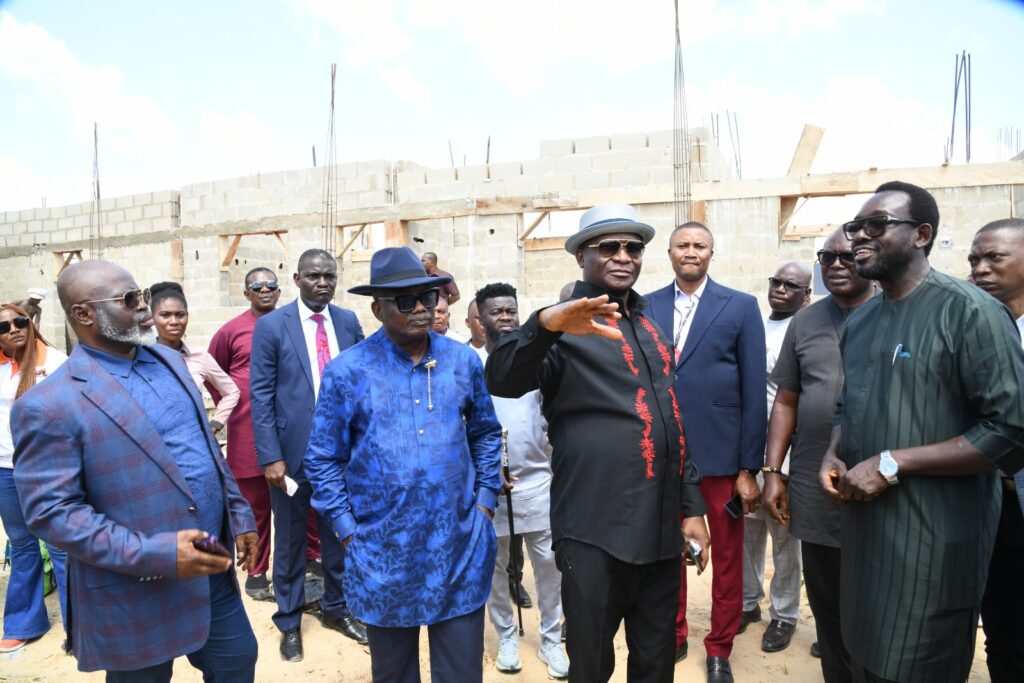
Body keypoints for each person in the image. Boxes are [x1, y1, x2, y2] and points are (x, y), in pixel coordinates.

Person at [487, 204, 709, 683]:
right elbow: (502, 377)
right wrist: (546, 324)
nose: (623, 256)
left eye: (633, 248)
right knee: (591, 664)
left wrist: (691, 509)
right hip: (593, 531)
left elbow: (672, 423)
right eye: (609, 247)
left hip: (660, 531)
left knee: (655, 661)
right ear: (582, 256)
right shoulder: (562, 328)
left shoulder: (651, 326)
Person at [12, 260, 259, 680]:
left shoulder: (170, 362)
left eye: (141, 294)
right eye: (129, 300)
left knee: (237, 662)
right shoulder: (49, 404)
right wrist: (160, 554)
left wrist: (239, 514)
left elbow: (206, 452)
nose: (144, 308)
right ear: (83, 315)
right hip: (134, 589)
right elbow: (53, 514)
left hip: (210, 572)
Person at [819, 182, 1024, 683]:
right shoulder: (861, 322)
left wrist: (892, 463)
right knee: (861, 658)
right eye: (854, 227)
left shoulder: (972, 311)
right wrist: (832, 453)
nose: (859, 237)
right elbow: (849, 405)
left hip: (932, 547)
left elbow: (1010, 430)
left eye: (876, 225)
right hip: (867, 541)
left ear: (921, 234)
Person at [305, 246, 502, 683]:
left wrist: (485, 503)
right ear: (377, 309)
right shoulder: (347, 372)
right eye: (406, 301)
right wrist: (347, 530)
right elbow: (322, 459)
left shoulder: (462, 361)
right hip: (382, 554)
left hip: (458, 547)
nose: (421, 310)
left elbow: (486, 433)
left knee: (461, 675)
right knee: (393, 675)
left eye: (428, 298)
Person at [644, 221, 766, 682]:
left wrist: (748, 467)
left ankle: (719, 647)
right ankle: (673, 635)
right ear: (670, 253)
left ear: (712, 252)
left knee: (727, 556)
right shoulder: (647, 305)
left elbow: (755, 392)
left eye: (699, 245)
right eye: (682, 245)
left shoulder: (740, 307)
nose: (690, 252)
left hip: (719, 459)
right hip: (662, 456)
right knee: (667, 551)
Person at [761, 229, 876, 682]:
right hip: (815, 487)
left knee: (872, 608)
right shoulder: (805, 323)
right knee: (827, 608)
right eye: (826, 256)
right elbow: (785, 400)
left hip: (880, 488)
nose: (836, 263)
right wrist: (773, 471)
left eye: (848, 255)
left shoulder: (895, 312)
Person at [250, 249, 367, 661]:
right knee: (291, 540)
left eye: (329, 276)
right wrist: (270, 457)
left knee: (339, 535)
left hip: (342, 453)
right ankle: (289, 620)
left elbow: (363, 381)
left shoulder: (348, 322)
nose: (322, 283)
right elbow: (260, 395)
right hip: (291, 455)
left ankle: (338, 608)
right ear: (297, 278)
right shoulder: (272, 326)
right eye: (314, 276)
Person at [476, 282, 568, 678]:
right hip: (492, 487)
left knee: (549, 567)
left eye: (510, 310)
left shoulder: (539, 358)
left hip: (540, 482)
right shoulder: (470, 363)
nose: (506, 317)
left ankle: (551, 639)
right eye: (496, 312)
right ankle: (507, 635)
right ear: (480, 320)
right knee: (495, 569)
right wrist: (486, 469)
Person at [740, 261, 811, 653]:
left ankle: (784, 615)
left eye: (792, 285)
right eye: (776, 281)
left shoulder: (804, 329)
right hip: (751, 450)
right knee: (749, 532)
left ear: (807, 294)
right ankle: (748, 604)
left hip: (786, 456)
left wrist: (781, 467)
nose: (781, 289)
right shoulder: (755, 327)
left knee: (784, 538)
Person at [969, 217, 1024, 683]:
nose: (981, 269)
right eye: (974, 260)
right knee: (1003, 629)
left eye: (994, 258)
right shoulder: (974, 331)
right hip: (992, 503)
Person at [207, 267, 283, 601]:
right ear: (246, 293)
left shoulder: (288, 326)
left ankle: (302, 567)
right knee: (255, 506)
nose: (265, 290)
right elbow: (213, 374)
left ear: (279, 291)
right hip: (246, 430)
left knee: (297, 503)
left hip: (285, 431)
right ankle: (256, 572)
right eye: (257, 286)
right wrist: (231, 405)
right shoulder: (231, 331)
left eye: (271, 286)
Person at [0, 303, 68, 654]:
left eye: (20, 321)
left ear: (30, 324)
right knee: (22, 544)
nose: (13, 329)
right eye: (4, 327)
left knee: (60, 544)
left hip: (47, 467)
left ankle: (81, 625)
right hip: (5, 469)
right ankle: (25, 622)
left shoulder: (54, 362)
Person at [149, 282, 239, 437]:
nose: (174, 321)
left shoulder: (199, 357)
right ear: (152, 318)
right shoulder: (143, 357)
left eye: (180, 315)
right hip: (156, 442)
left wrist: (215, 424)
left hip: (194, 440)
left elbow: (232, 392)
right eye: (165, 315)